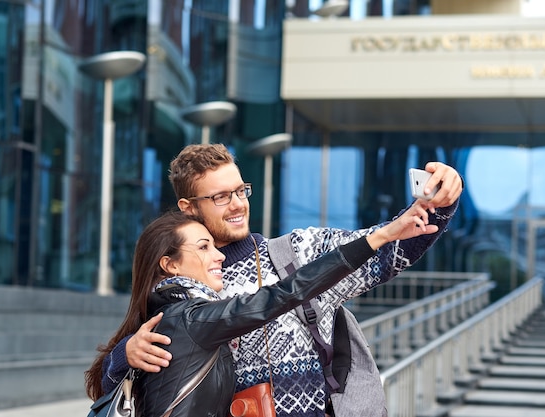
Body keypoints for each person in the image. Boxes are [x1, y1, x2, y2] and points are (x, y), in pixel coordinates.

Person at [100, 144, 464, 417]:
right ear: (189, 207)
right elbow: (114, 390)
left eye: (241, 191)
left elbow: (386, 250)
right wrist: (125, 356)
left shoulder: (296, 251)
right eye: (221, 197)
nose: (238, 204)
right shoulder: (185, 288)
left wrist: (439, 203)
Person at [85, 207, 440, 416]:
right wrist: (378, 238)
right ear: (170, 264)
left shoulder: (165, 319)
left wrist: (124, 355)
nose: (218, 256)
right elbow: (286, 293)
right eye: (204, 247)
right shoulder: (188, 319)